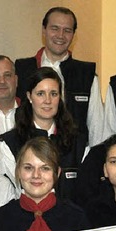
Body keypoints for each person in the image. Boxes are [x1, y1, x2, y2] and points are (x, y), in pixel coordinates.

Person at [15, 7, 105, 146]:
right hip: (30, 156)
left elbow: (97, 128)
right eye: (55, 28)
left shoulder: (87, 75)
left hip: (74, 159)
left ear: (74, 35)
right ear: (44, 30)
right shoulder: (21, 70)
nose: (60, 35)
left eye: (67, 30)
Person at [0, 67, 88, 202]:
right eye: (40, 94)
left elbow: (83, 191)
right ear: (29, 97)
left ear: (60, 97)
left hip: (71, 219)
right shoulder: (9, 143)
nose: (48, 100)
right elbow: (12, 194)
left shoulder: (78, 142)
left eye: (53, 94)